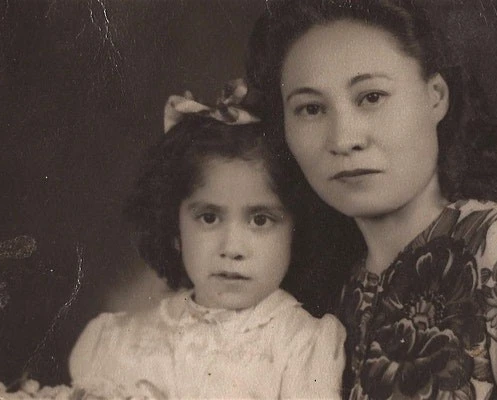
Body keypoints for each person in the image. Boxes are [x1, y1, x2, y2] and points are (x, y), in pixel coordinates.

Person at [245, 1, 497, 399]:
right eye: (310, 109)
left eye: (371, 97)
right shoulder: (335, 291)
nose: (343, 139)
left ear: (436, 96)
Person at [68, 85, 345, 399]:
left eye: (260, 220)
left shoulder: (301, 346)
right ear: (175, 228)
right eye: (209, 218)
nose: (232, 249)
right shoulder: (117, 341)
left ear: (296, 231)